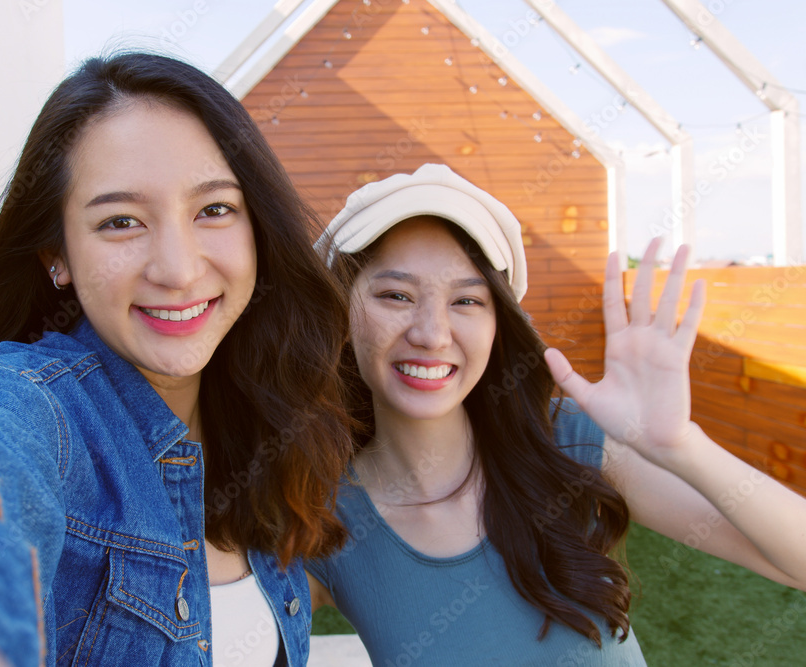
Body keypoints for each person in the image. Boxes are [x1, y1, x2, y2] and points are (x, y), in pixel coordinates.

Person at [0, 52, 353, 667]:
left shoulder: (266, 431)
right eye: (121, 221)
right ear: (55, 254)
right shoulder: (38, 411)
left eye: (213, 209)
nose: (178, 267)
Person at [306, 164, 806, 665]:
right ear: (340, 312)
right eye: (396, 295)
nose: (433, 333)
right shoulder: (321, 518)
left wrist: (681, 446)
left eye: (467, 300)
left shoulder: (563, 437)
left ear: (498, 324)